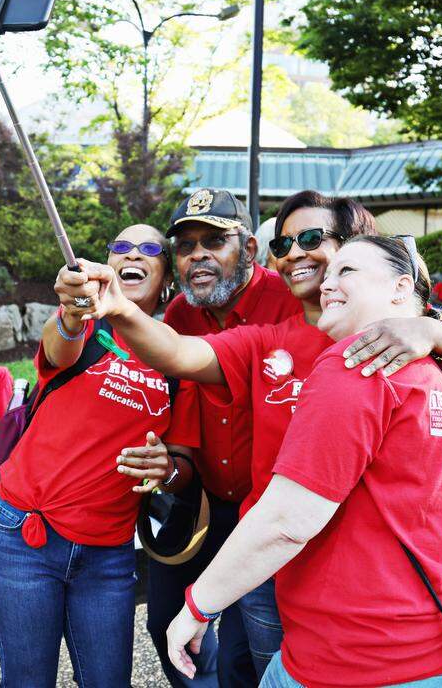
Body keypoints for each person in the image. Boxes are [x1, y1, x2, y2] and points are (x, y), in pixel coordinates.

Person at [61, 191, 442, 680]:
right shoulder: (281, 336)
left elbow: (290, 518)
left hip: (366, 631)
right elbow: (179, 352)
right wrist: (122, 310)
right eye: (285, 243)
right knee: (254, 665)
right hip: (314, 588)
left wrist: (438, 332)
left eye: (314, 240)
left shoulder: (378, 356)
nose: (296, 253)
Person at [165, 236, 442, 688]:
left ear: (401, 287)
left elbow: (287, 520)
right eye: (330, 272)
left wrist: (198, 605)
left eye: (347, 272)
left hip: (351, 658)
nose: (326, 283)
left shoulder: (356, 364)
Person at [0, 225, 200, 688]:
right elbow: (58, 348)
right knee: (26, 682)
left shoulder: (180, 358)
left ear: (166, 280)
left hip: (108, 555)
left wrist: (167, 470)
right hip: (25, 537)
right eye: (120, 247)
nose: (131, 254)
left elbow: (182, 468)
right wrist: (73, 311)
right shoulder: (86, 323)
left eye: (147, 249)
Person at [148, 188, 301, 688]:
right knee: (163, 619)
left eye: (214, 241)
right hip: (203, 499)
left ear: (250, 250)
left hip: (267, 506)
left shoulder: (291, 305)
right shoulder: (179, 318)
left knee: (243, 650)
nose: (198, 256)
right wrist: (168, 468)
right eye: (187, 246)